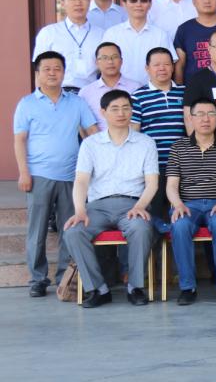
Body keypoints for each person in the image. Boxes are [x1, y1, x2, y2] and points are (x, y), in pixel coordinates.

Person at [64, 89, 159, 308]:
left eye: (126, 108)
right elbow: (81, 181)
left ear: (132, 111)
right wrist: (80, 210)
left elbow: (152, 183)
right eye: (114, 109)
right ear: (103, 112)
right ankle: (98, 289)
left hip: (132, 204)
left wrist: (141, 206)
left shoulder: (146, 143)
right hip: (97, 207)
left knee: (141, 228)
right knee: (73, 231)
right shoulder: (91, 144)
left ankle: (135, 287)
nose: (121, 113)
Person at [15, 51, 98, 297]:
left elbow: (92, 133)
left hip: (72, 176)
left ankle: (64, 276)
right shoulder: (27, 104)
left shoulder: (76, 102)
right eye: (47, 69)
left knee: (68, 229)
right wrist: (23, 172)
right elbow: (20, 140)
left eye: (57, 68)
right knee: (37, 230)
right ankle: (37, 279)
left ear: (63, 72)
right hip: (39, 175)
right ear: (37, 74)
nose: (52, 73)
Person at [164, 97, 216, 304]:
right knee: (179, 225)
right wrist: (178, 205)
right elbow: (171, 185)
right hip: (188, 204)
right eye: (199, 114)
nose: (205, 119)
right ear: (190, 118)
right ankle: (187, 287)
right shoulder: (178, 147)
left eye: (210, 114)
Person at [131, 47, 187, 221]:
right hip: (153, 166)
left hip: (182, 165)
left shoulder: (186, 92)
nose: (162, 68)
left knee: (181, 214)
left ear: (173, 67)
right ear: (147, 68)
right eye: (156, 65)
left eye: (167, 64)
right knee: (155, 216)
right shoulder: (137, 96)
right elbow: (134, 134)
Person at [102, 0, 177, 85]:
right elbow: (104, 65)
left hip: (152, 92)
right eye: (133, 0)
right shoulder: (112, 34)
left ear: (150, 4)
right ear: (124, 4)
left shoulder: (160, 35)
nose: (138, 4)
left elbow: (169, 67)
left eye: (143, 0)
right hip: (119, 91)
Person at [33, 0, 103, 91]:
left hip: (91, 92)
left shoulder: (101, 34)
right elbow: (39, 70)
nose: (78, 3)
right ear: (62, 3)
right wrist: (40, 96)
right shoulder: (49, 33)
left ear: (89, 1)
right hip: (58, 92)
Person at [78, 42, 141, 130]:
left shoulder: (136, 88)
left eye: (114, 57)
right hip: (97, 138)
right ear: (96, 62)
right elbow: (81, 125)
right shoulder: (85, 92)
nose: (110, 61)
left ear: (121, 61)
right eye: (105, 58)